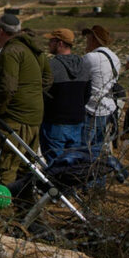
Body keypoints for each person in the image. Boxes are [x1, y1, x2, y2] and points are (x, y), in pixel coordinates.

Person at [0, 15, 51, 187]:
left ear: (0, 31)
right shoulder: (34, 49)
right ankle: (26, 210)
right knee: (26, 167)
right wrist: (29, 93)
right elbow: (47, 79)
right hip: (34, 117)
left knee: (4, 167)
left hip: (13, 119)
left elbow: (7, 87)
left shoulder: (11, 52)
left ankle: (4, 212)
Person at [40, 28, 90, 161]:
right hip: (78, 121)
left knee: (55, 164)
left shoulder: (51, 66)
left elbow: (43, 93)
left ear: (60, 43)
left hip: (55, 123)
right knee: (72, 164)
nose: (49, 44)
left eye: (51, 41)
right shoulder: (84, 65)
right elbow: (87, 94)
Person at [81, 25, 121, 149]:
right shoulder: (115, 57)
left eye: (88, 39)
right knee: (97, 148)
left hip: (91, 109)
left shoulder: (90, 57)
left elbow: (79, 80)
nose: (86, 42)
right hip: (107, 108)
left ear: (94, 39)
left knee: (82, 148)